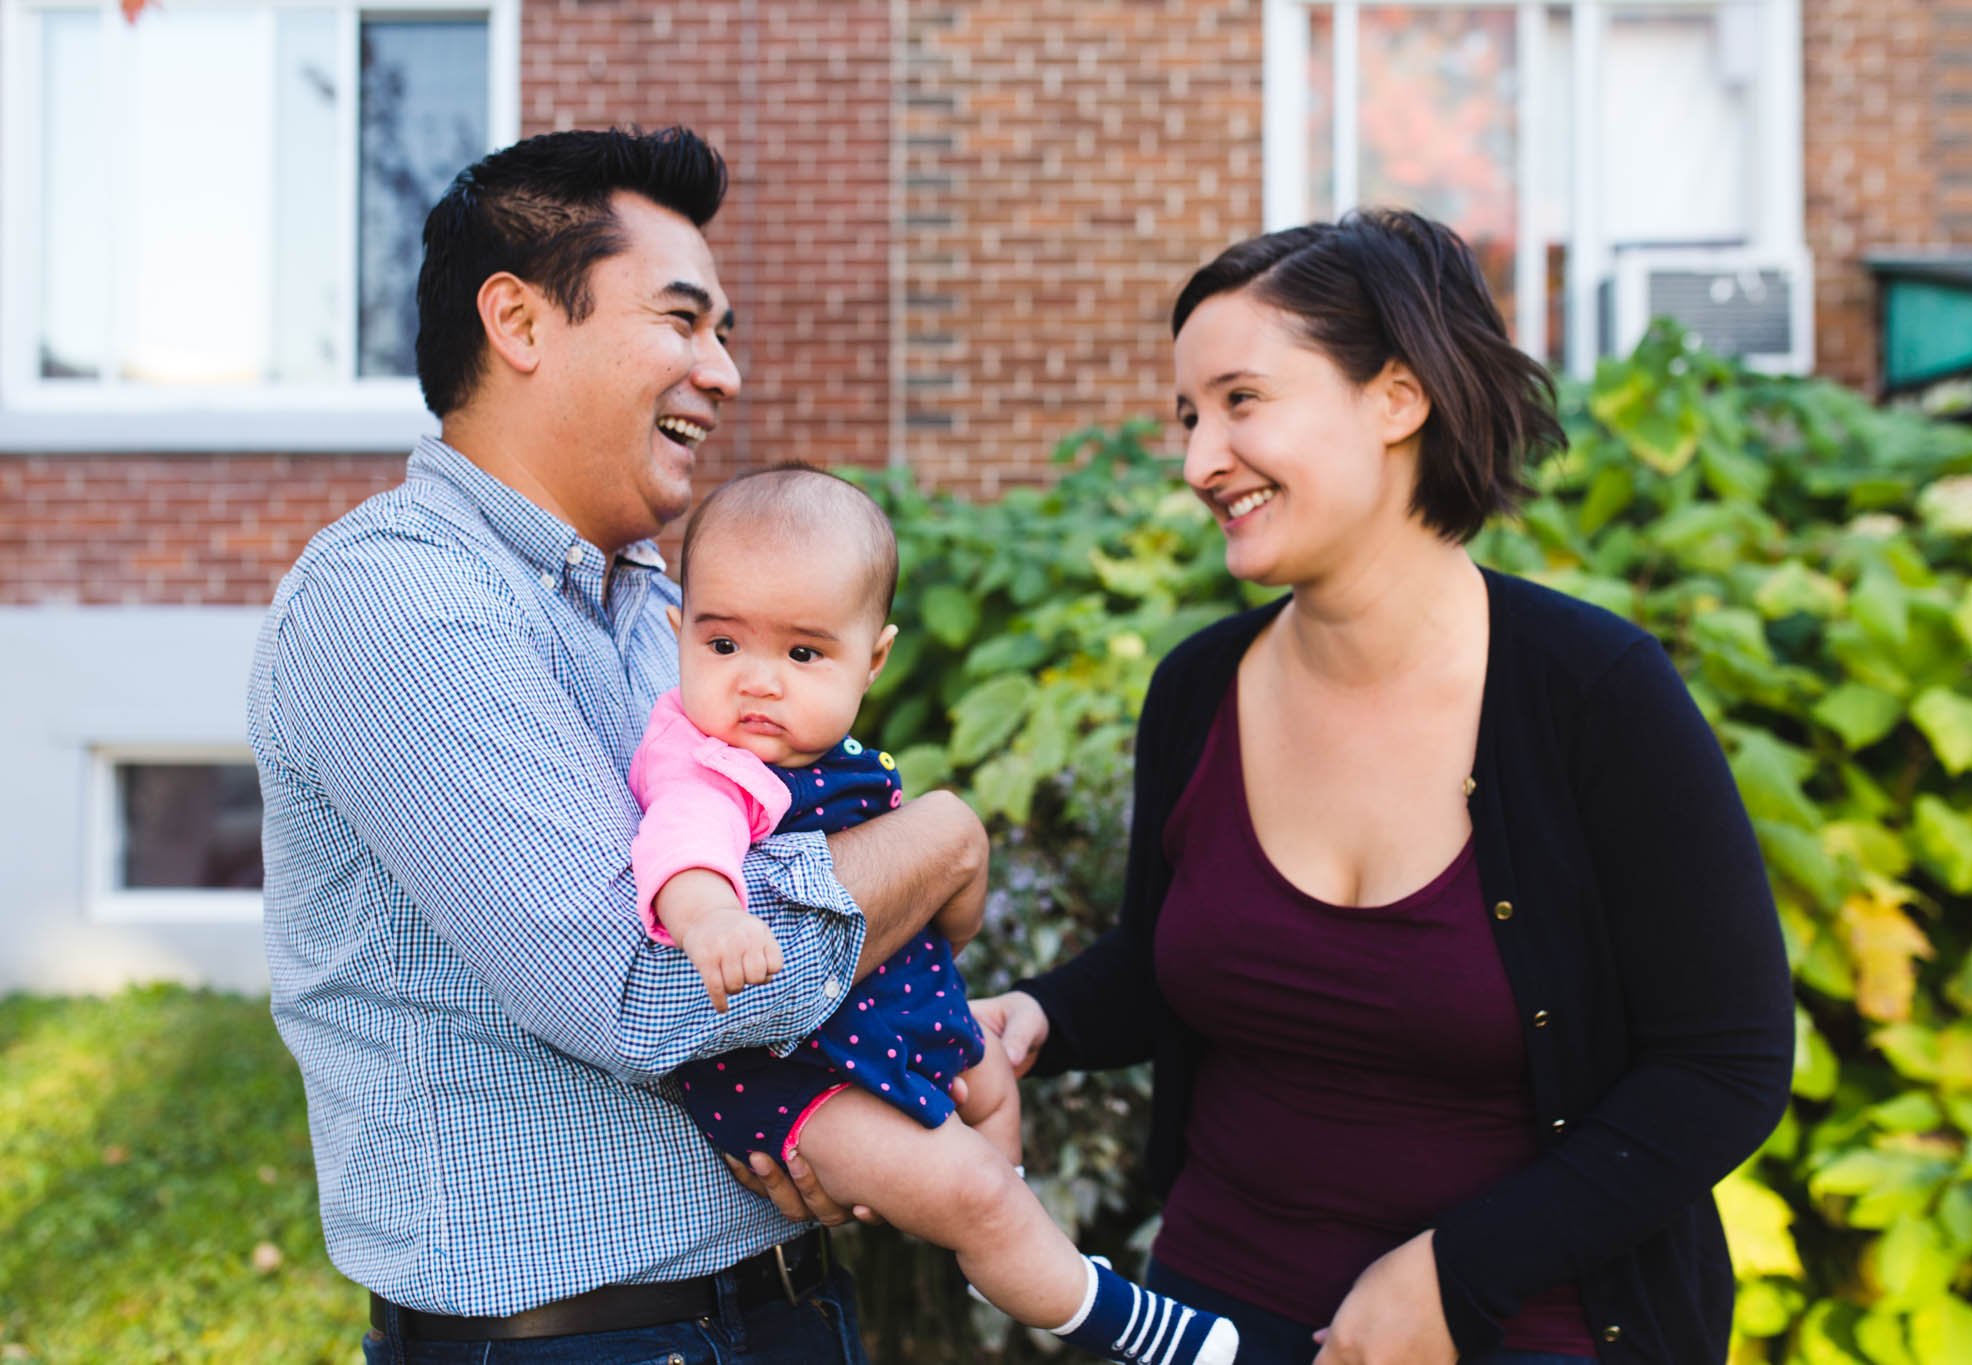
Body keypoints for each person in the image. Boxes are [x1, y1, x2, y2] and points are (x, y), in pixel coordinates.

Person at [972, 209, 1795, 1365]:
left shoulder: (1592, 693)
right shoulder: (1200, 689)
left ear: (1396, 399)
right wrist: (1039, 1016)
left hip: (1520, 1325)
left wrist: (1459, 1275)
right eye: (1187, 416)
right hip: (1206, 1318)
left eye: (1241, 401)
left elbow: (1725, 1063)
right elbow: (1177, 967)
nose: (1200, 459)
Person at [247, 127, 989, 1364]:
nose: (725, 372)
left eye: (725, 331)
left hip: (783, 1306)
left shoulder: (670, 614)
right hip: (578, 1343)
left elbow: (786, 890)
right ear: (520, 323)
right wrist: (943, 837)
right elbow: (650, 991)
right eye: (685, 322)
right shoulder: (399, 602)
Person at [629, 462, 1239, 1365]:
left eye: (803, 654)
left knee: (991, 1082)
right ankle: (1093, 1302)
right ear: (679, 634)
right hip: (795, 1075)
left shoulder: (826, 755)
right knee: (969, 1191)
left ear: (871, 659)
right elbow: (682, 850)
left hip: (878, 1009)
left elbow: (945, 913)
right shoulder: (709, 765)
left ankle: (1005, 1233)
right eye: (723, 646)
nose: (757, 682)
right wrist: (712, 918)